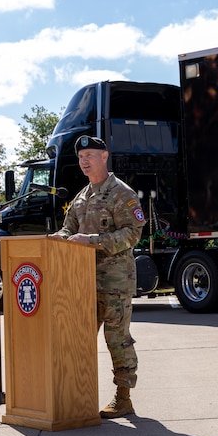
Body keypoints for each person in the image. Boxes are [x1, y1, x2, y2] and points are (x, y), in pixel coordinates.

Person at [49, 135, 146, 419]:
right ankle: (78, 396)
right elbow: (68, 230)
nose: (84, 161)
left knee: (116, 339)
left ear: (104, 157)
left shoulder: (121, 193)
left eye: (90, 155)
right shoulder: (81, 197)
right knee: (77, 339)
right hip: (80, 283)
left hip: (114, 281)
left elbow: (132, 234)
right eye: (81, 157)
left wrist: (91, 240)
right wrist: (60, 237)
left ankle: (123, 398)